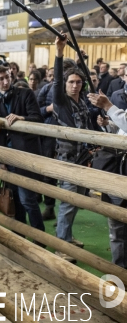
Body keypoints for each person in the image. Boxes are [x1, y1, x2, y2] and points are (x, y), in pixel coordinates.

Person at [0, 66, 46, 238]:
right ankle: (19, 235)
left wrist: (21, 118)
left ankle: (39, 237)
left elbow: (37, 117)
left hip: (25, 155)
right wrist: (1, 160)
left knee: (27, 199)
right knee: (14, 197)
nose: (5, 81)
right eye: (0, 79)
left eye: (7, 77)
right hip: (8, 157)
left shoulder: (25, 94)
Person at [53, 34, 92, 261]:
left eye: (78, 82)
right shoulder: (61, 100)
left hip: (82, 157)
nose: (75, 85)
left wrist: (79, 62)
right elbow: (58, 80)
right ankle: (61, 245)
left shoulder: (82, 99)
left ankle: (66, 236)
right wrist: (59, 53)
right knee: (68, 202)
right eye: (71, 82)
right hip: (67, 157)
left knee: (76, 200)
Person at [87, 90, 127, 268]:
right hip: (119, 170)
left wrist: (108, 107)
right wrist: (109, 124)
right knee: (116, 222)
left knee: (117, 225)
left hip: (122, 170)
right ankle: (120, 272)